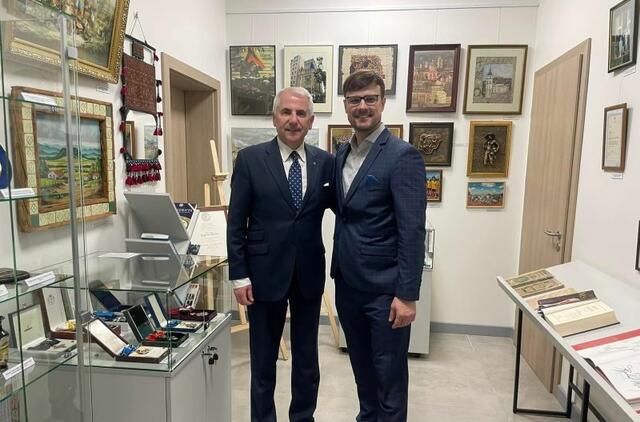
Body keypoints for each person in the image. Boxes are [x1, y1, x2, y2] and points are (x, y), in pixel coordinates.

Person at [227, 86, 335, 422]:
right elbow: (236, 223)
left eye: (301, 113)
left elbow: (347, 213)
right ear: (274, 117)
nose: (293, 120)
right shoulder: (250, 160)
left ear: (311, 121)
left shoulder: (325, 163)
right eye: (286, 112)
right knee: (263, 362)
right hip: (262, 277)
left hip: (308, 275)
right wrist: (239, 275)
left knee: (307, 360)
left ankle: (303, 417)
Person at [331, 70, 426, 422]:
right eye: (355, 100)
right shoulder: (342, 153)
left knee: (389, 378)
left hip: (385, 292)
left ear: (383, 102)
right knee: (362, 372)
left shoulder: (402, 156)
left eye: (370, 98)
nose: (362, 106)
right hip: (347, 286)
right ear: (345, 105)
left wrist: (407, 295)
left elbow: (412, 230)